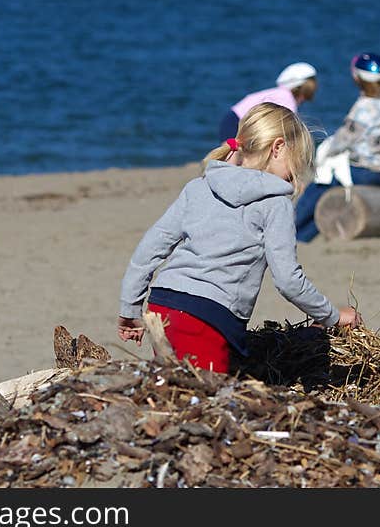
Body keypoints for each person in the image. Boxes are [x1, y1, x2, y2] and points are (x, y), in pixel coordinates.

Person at [118, 102, 361, 372]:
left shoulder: (199, 186)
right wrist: (332, 316)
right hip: (206, 317)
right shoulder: (275, 203)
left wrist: (130, 309)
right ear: (277, 148)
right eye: (297, 162)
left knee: (177, 390)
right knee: (207, 402)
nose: (295, 175)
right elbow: (288, 280)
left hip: (164, 303)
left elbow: (149, 251)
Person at [294, 53, 380, 243]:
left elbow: (343, 140)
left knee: (323, 181)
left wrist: (324, 152)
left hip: (369, 172)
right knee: (329, 182)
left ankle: (296, 230)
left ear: (358, 78)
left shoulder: (365, 106)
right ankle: (303, 234)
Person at [218, 62, 317, 142]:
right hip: (238, 123)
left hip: (234, 120)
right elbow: (287, 129)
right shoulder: (286, 99)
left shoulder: (279, 94)